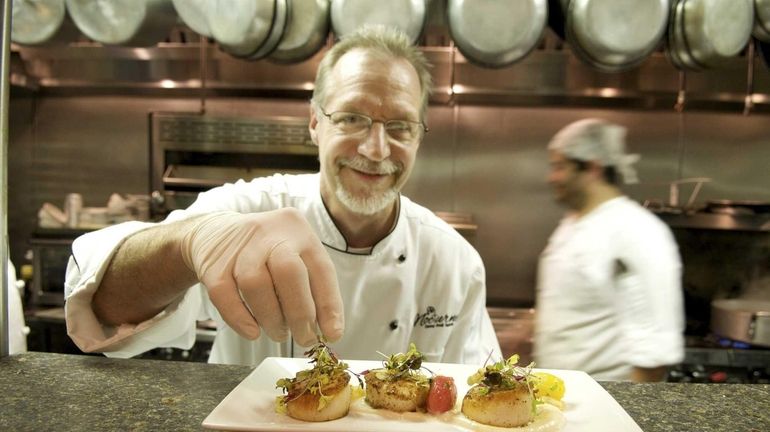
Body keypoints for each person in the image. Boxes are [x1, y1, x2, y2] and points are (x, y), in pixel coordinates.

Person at [64, 26, 501, 366]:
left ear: (420, 137)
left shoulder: (454, 262)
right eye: (351, 118)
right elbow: (101, 308)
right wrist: (186, 245)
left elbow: (476, 397)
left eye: (401, 127)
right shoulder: (250, 211)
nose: (376, 150)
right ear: (315, 123)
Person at [533, 118, 685, 382]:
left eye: (559, 167)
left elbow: (655, 343)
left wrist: (631, 413)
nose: (551, 177)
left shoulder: (636, 230)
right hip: (563, 394)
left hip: (606, 399)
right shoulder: (572, 223)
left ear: (592, 167)